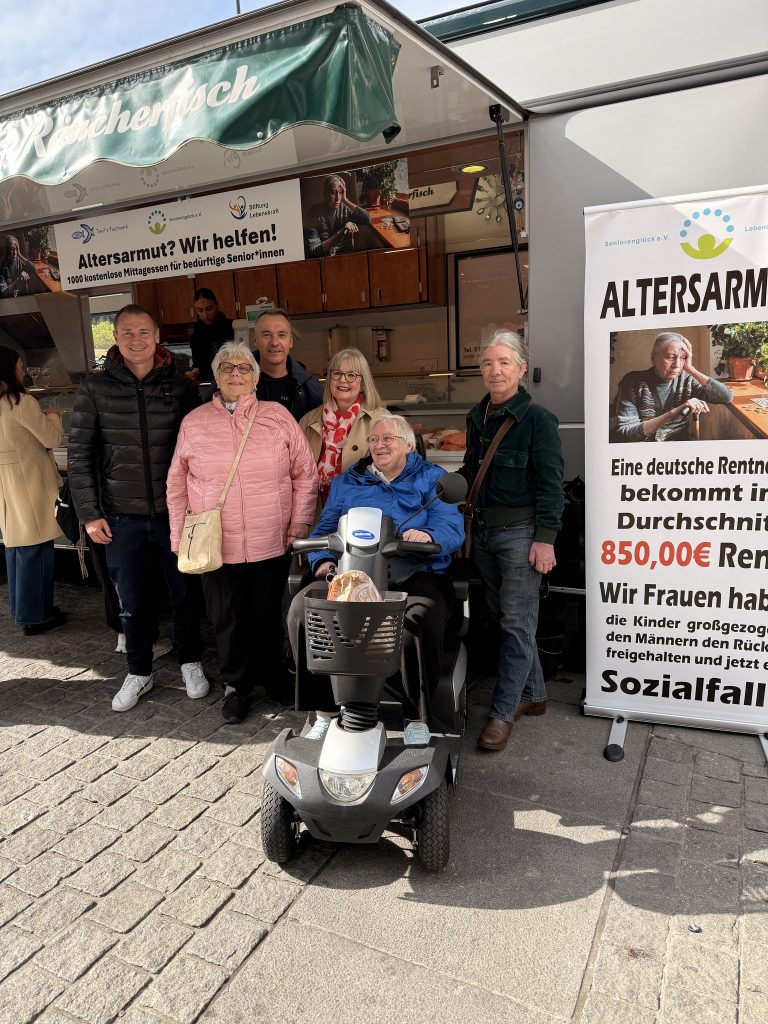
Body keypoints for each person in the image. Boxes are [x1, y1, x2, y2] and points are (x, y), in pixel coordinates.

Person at [167, 342, 317, 724]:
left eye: (244, 367)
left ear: (255, 376)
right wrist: (179, 537)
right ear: (216, 376)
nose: (236, 374)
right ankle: (236, 685)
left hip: (270, 538)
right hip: (217, 543)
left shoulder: (277, 416)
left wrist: (300, 521)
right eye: (227, 367)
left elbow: (305, 473)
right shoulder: (194, 422)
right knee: (226, 618)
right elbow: (176, 484)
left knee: (266, 614)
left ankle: (273, 677)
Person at [290, 413, 464, 743]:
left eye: (388, 438)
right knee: (304, 609)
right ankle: (324, 711)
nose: (379, 445)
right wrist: (322, 561)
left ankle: (416, 718)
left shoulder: (432, 479)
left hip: (414, 572)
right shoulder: (347, 482)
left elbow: (451, 529)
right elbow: (324, 529)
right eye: (373, 439)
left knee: (417, 618)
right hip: (352, 572)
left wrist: (428, 535)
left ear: (409, 445)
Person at [68, 304, 208, 712]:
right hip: (120, 516)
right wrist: (89, 513)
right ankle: (138, 670)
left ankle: (190, 661)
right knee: (131, 601)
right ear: (115, 338)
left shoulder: (181, 387)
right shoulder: (95, 388)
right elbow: (80, 455)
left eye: (143, 332)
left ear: (157, 336)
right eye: (127, 332)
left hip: (175, 515)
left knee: (185, 594)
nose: (136, 340)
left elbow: (199, 452)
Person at [461, 330, 564, 753]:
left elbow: (552, 486)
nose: (495, 370)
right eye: (488, 363)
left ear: (521, 369)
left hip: (520, 535)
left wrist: (546, 539)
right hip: (483, 534)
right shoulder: (476, 416)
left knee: (516, 624)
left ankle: (502, 712)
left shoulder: (538, 419)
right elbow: (470, 472)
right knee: (506, 618)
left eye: (504, 362)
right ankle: (534, 695)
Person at [0, 346, 67, 635]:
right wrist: (53, 415)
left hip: (7, 484)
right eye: (19, 365)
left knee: (17, 549)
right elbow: (51, 439)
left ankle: (24, 610)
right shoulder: (21, 402)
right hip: (30, 483)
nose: (22, 371)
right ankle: (38, 616)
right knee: (37, 550)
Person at [299, 347, 388, 510]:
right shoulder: (307, 421)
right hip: (317, 512)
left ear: (363, 383)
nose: (343, 380)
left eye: (351, 375)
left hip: (362, 510)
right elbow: (296, 474)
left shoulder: (381, 420)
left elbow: (394, 472)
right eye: (337, 374)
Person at [615, 332, 732, 443]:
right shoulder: (632, 382)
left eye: (683, 357)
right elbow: (626, 432)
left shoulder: (687, 380)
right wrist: (674, 412)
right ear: (653, 358)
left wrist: (690, 369)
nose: (677, 365)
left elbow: (726, 397)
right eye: (671, 357)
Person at [253, 309, 323, 421]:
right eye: (266, 335)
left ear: (290, 342)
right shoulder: (235, 382)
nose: (274, 342)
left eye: (281, 335)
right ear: (255, 340)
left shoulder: (310, 388)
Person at [305, 174, 373, 258]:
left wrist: (345, 200)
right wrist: (340, 232)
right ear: (325, 194)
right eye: (333, 193)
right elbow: (313, 250)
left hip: (343, 257)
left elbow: (367, 219)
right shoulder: (314, 213)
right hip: (323, 260)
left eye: (340, 192)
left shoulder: (345, 209)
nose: (338, 198)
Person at [187, 288, 234, 383]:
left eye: (209, 309)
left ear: (217, 304)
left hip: (230, 380)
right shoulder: (197, 332)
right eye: (200, 310)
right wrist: (195, 372)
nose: (205, 315)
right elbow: (198, 362)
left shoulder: (231, 327)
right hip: (206, 382)